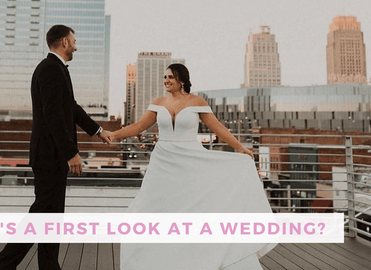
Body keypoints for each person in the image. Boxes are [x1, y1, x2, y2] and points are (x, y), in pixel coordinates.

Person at [111, 63, 276, 269]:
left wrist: (240, 148)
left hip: (191, 160)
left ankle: (194, 256)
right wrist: (114, 135)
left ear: (182, 80)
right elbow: (138, 126)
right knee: (148, 209)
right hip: (163, 163)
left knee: (192, 208)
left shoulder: (196, 102)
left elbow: (217, 127)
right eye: (165, 77)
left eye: (171, 77)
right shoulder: (158, 103)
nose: (166, 81)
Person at [0, 25, 112, 270]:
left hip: (52, 157)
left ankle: (48, 266)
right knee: (42, 214)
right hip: (50, 157)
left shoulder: (55, 69)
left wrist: (97, 130)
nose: (76, 46)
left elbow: (71, 107)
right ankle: (1, 266)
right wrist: (71, 153)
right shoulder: (50, 70)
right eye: (74, 41)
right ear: (65, 42)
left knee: (50, 218)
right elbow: (54, 115)